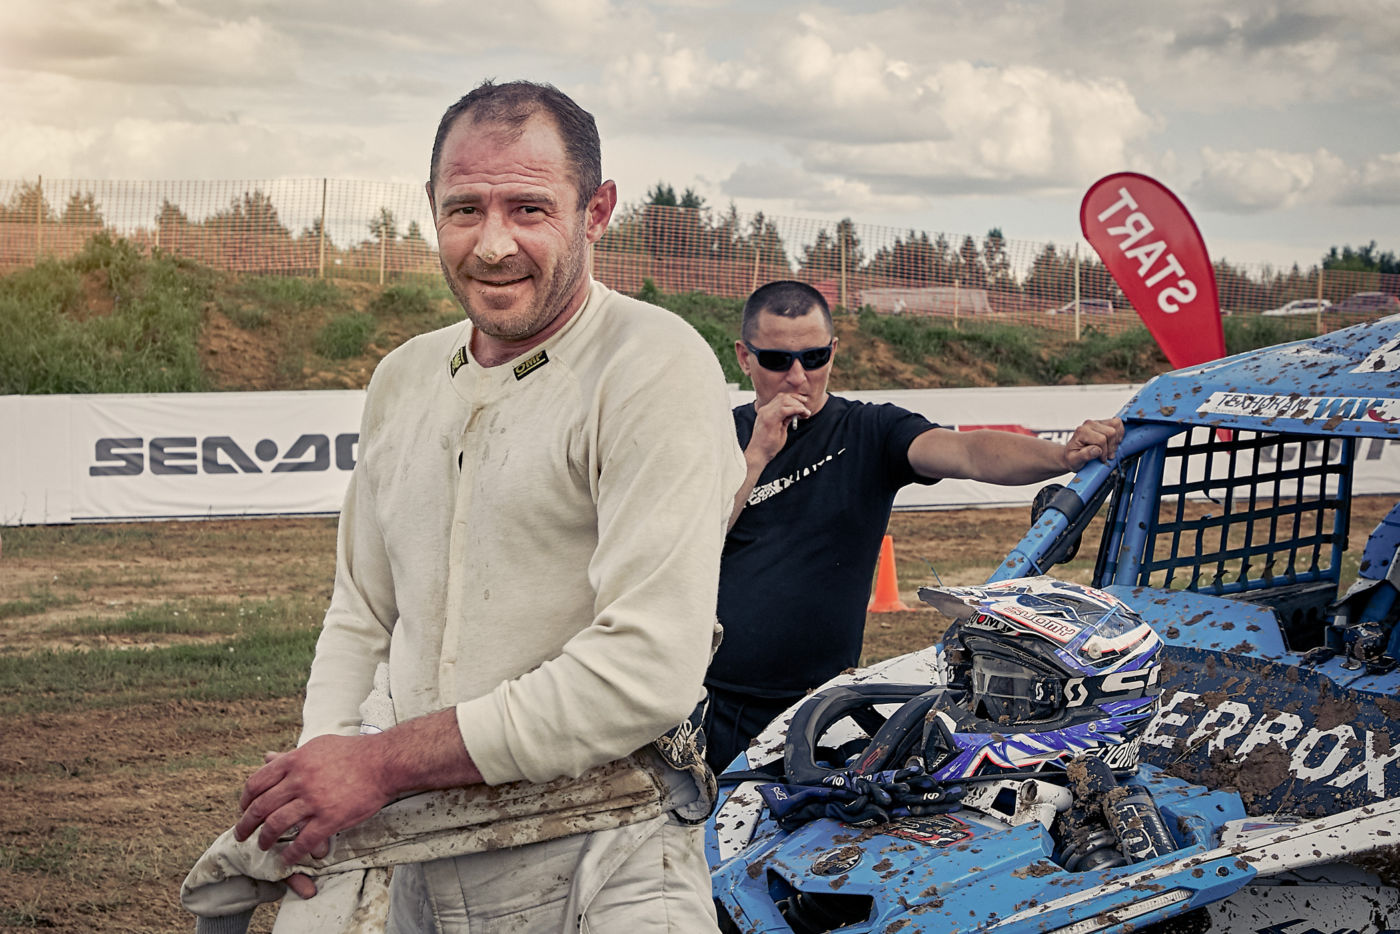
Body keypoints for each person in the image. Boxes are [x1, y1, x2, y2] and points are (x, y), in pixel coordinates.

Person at [220, 80, 744, 932]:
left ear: (596, 211)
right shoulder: (404, 377)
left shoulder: (651, 364)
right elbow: (363, 611)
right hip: (420, 851)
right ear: (431, 206)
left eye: (529, 209)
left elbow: (644, 669)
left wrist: (379, 765)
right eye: (465, 209)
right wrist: (320, 775)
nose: (494, 245)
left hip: (602, 853)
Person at [702, 280, 1124, 772]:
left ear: (833, 352)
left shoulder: (869, 430)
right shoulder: (716, 435)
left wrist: (1061, 456)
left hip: (820, 702)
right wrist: (757, 454)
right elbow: (693, 540)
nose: (798, 377)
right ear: (745, 357)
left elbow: (968, 452)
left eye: (813, 358)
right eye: (778, 361)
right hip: (712, 697)